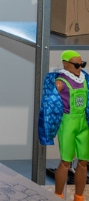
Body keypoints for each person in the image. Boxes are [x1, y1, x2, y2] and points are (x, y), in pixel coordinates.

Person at [39, 50, 89, 200]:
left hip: (83, 123)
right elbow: (49, 104)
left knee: (83, 161)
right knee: (66, 161)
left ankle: (79, 196)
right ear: (65, 64)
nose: (79, 67)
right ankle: (58, 195)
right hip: (68, 123)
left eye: (82, 64)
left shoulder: (84, 79)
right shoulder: (60, 82)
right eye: (76, 64)